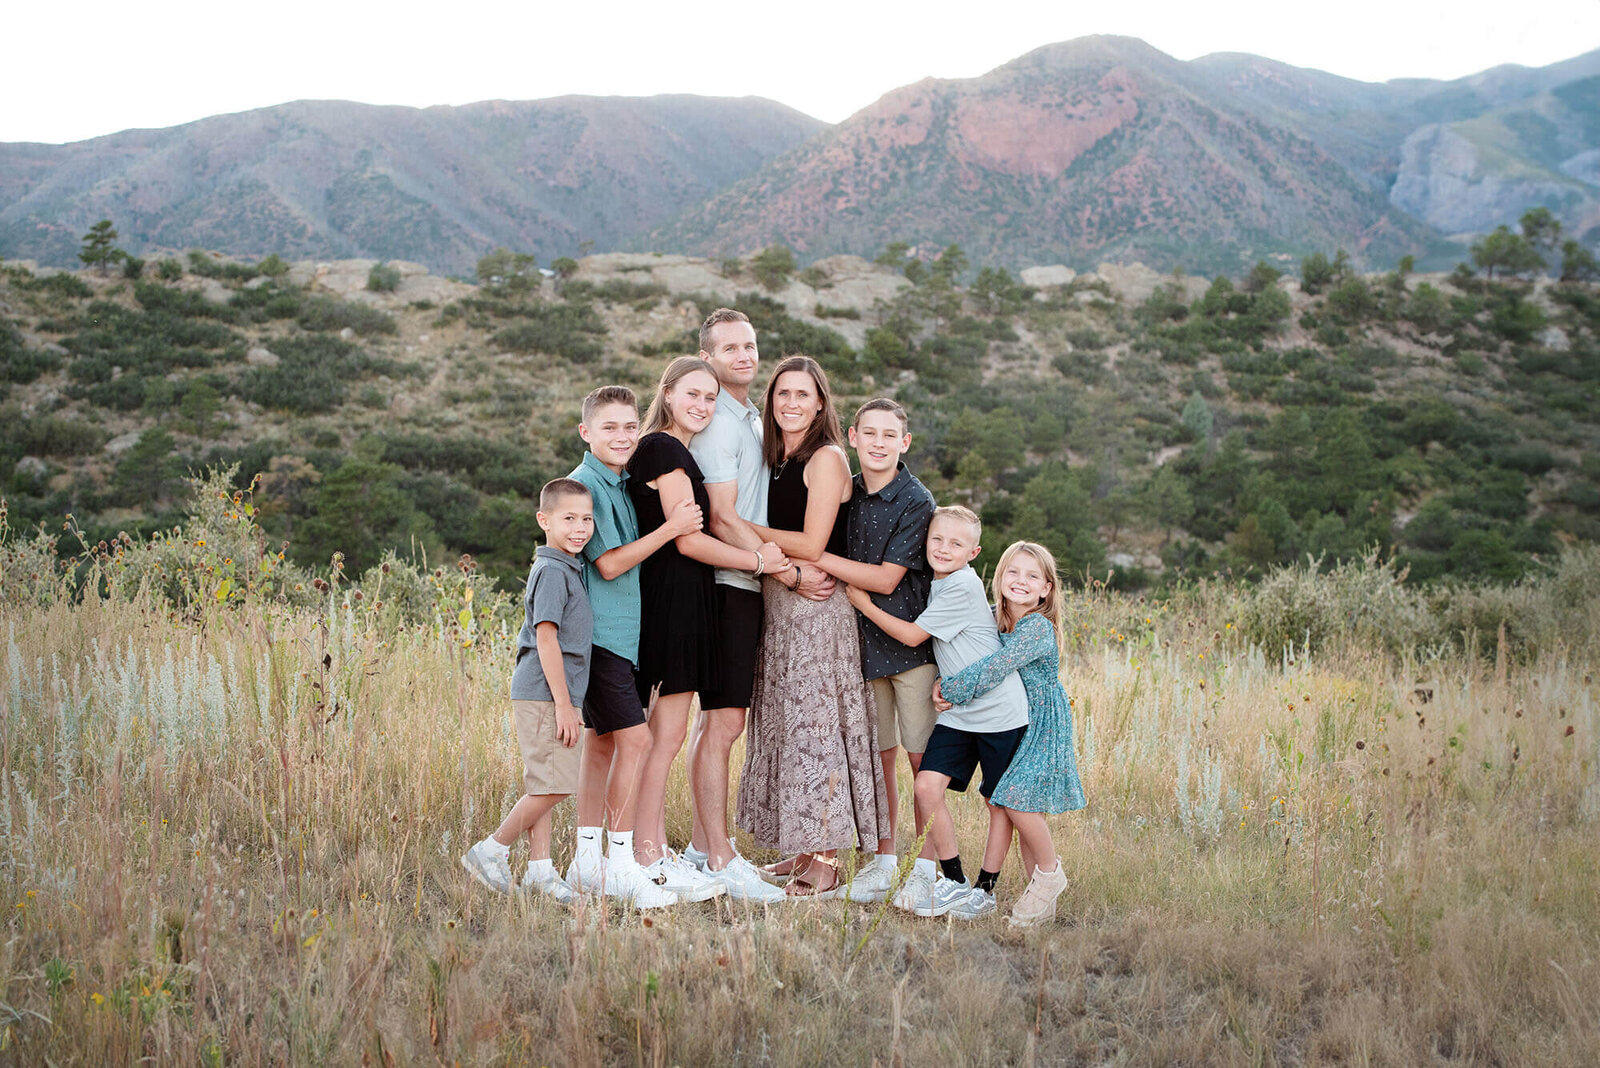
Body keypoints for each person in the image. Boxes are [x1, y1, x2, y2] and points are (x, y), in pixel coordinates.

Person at [627, 355, 789, 902]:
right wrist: (764, 563)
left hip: (685, 597)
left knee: (664, 734)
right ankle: (643, 855)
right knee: (664, 735)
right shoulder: (663, 448)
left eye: (710, 398)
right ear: (667, 393)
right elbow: (688, 540)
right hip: (672, 600)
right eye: (692, 394)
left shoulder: (674, 450)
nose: (701, 405)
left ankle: (649, 849)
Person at [681, 307, 824, 903]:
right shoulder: (718, 422)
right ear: (707, 357)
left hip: (747, 585)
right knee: (723, 723)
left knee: (720, 723)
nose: (744, 355)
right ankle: (718, 857)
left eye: (750, 345)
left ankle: (699, 845)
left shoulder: (747, 416)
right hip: (726, 586)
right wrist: (787, 570)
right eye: (730, 348)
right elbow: (720, 516)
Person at [737, 355, 890, 896]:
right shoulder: (780, 458)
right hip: (783, 607)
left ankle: (825, 862)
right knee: (791, 726)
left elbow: (815, 545)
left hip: (817, 616)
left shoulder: (825, 458)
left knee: (817, 731)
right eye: (782, 394)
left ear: (821, 402)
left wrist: (734, 523)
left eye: (803, 394)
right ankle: (802, 855)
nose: (791, 403)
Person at [845, 506, 1029, 919]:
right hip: (958, 710)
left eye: (956, 544)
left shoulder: (961, 585)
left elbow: (913, 636)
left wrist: (862, 602)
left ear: (974, 552)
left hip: (999, 710)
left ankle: (985, 890)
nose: (944, 549)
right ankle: (954, 879)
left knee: (998, 803)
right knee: (927, 787)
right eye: (937, 539)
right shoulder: (937, 582)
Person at [563, 385, 701, 909]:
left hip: (623, 635)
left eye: (628, 427)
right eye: (609, 428)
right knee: (637, 743)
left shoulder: (618, 481)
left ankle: (586, 860)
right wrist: (673, 528)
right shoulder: (586, 487)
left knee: (602, 746)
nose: (622, 437)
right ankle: (620, 863)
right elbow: (610, 563)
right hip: (600, 636)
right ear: (586, 433)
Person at [809, 398, 936, 903]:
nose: (879, 443)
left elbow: (886, 579)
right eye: (870, 434)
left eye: (891, 435)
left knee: (921, 762)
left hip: (910, 649)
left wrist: (815, 556)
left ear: (904, 443)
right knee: (877, 759)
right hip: (860, 649)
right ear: (853, 438)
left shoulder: (916, 500)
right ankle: (882, 860)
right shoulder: (848, 491)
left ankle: (928, 867)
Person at [934, 541, 1084, 926]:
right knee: (1021, 809)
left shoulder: (1036, 627)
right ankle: (1040, 907)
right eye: (1013, 572)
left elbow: (996, 666)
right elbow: (968, 651)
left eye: (1033, 576)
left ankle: (1050, 874)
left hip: (1041, 725)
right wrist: (940, 675)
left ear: (1046, 589)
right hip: (1010, 721)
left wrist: (949, 689)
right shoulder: (992, 619)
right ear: (999, 577)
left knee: (1015, 801)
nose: (1021, 581)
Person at [460, 478, 595, 900]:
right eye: (568, 518)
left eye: (587, 519)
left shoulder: (566, 566)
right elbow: (546, 638)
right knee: (556, 785)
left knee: (544, 781)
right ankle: (491, 850)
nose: (579, 527)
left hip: (546, 691)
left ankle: (540, 869)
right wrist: (564, 705)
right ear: (544, 520)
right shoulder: (553, 570)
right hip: (545, 691)